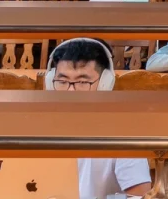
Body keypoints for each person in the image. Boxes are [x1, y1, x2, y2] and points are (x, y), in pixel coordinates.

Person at [42, 39, 152, 199]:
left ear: (105, 84)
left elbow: (138, 196)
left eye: (82, 82)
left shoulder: (124, 133)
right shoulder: (35, 129)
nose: (70, 91)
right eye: (62, 81)